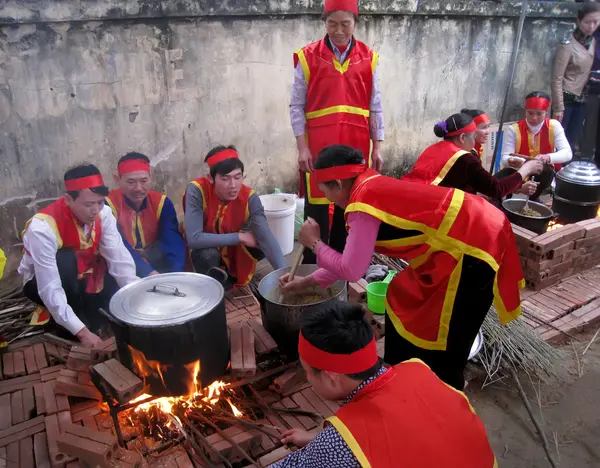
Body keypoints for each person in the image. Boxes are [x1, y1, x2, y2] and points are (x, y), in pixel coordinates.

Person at [280, 145, 524, 390]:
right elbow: (348, 260)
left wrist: (314, 242)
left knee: (449, 331)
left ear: (339, 184)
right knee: (400, 297)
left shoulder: (362, 203)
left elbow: (352, 270)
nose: (323, 195)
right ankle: (405, 377)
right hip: (458, 235)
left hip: (474, 240)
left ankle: (444, 391)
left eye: (323, 188)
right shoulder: (366, 185)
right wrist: (305, 282)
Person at [269, 302, 497, 467]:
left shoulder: (339, 445)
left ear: (331, 377)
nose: (307, 380)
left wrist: (325, 445)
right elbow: (407, 438)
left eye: (307, 372)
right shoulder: (417, 368)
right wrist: (317, 440)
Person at [291, 0, 384, 264]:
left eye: (345, 24)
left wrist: (377, 145)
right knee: (317, 209)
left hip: (355, 147)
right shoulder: (308, 57)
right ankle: (312, 270)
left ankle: (343, 268)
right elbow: (296, 105)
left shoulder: (368, 57)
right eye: (332, 23)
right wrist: (301, 147)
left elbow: (375, 106)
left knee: (350, 207)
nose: (339, 30)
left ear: (355, 23)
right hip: (318, 147)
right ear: (325, 23)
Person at [18, 164, 138, 347]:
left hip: (87, 273)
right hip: (45, 281)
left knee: (111, 280)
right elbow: (50, 286)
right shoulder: (42, 228)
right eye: (88, 204)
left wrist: (137, 299)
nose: (95, 210)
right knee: (66, 261)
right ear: (68, 199)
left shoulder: (103, 213)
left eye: (99, 202)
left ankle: (89, 316)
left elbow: (119, 259)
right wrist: (81, 332)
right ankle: (67, 323)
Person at [183, 146, 286, 287]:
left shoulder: (250, 198)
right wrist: (239, 237)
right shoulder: (197, 190)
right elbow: (194, 239)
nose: (233, 185)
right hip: (206, 248)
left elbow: (266, 236)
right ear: (211, 178)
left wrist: (285, 274)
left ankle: (233, 276)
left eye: (238, 177)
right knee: (207, 255)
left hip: (232, 251)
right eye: (225, 179)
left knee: (261, 242)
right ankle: (210, 290)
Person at [404, 112, 543, 198]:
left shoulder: (435, 148)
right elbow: (496, 189)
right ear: (463, 137)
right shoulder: (465, 159)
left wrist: (518, 188)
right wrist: (527, 169)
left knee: (506, 174)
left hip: (418, 195)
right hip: (437, 207)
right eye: (474, 135)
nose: (486, 133)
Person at [106, 152, 186, 278]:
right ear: (118, 180)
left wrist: (176, 274)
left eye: (144, 181)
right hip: (123, 261)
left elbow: (172, 240)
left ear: (150, 178)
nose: (138, 188)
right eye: (131, 182)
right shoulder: (108, 206)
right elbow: (118, 245)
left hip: (154, 256)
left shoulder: (161, 203)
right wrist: (147, 272)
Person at [552, 2, 600, 148]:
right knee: (558, 143)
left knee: (571, 142)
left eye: (596, 22)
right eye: (587, 22)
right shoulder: (567, 45)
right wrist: (558, 107)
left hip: (582, 98)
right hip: (566, 99)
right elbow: (556, 78)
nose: (591, 26)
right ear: (579, 21)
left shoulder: (592, 41)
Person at [501, 91, 573, 171]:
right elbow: (505, 157)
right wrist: (510, 161)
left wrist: (548, 157)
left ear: (546, 112)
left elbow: (567, 153)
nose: (534, 118)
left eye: (539, 114)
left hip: (547, 174)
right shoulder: (514, 129)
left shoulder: (554, 126)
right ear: (525, 111)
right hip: (521, 173)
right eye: (530, 113)